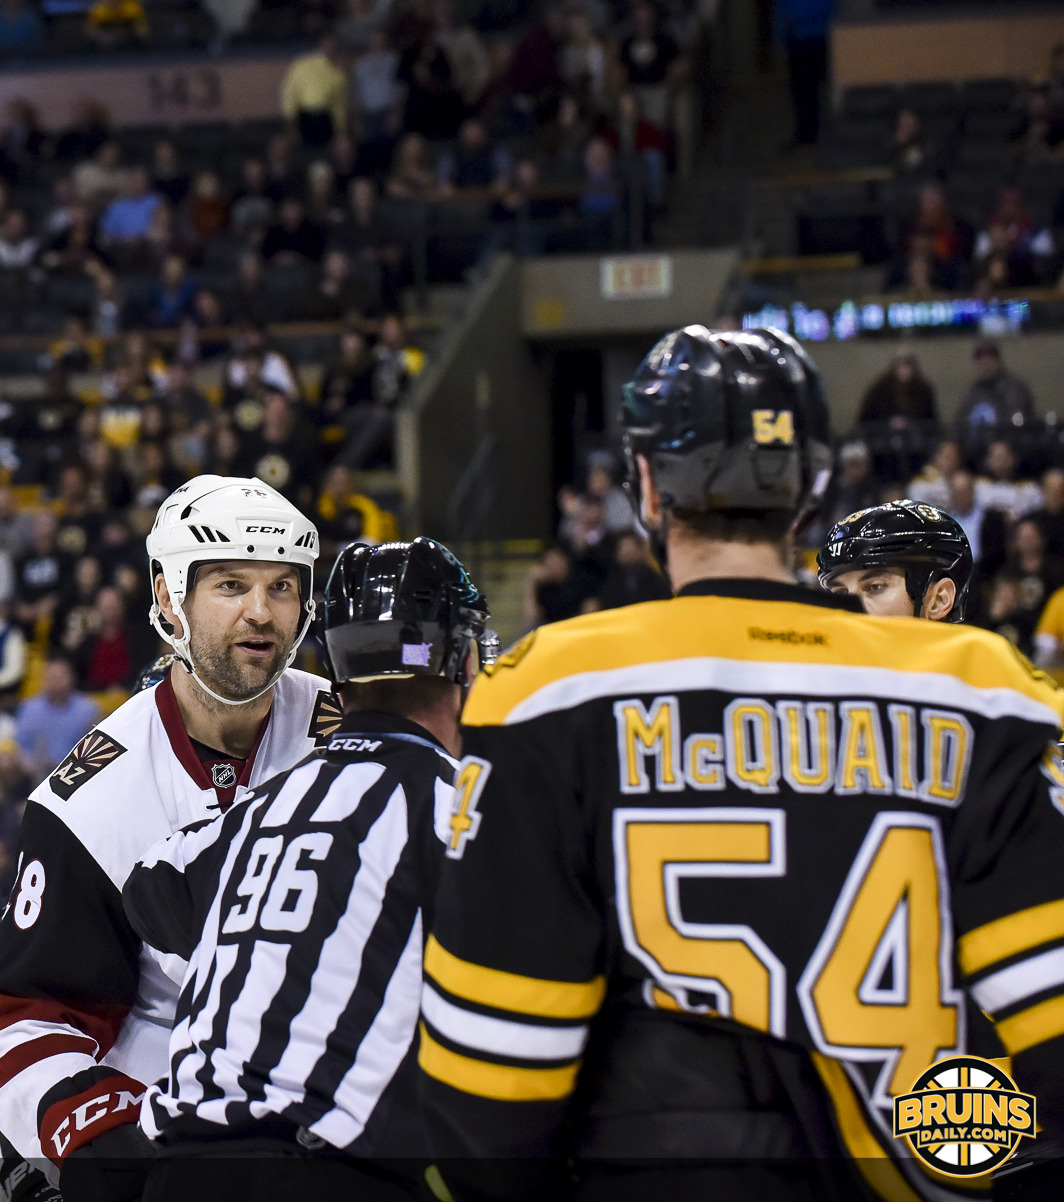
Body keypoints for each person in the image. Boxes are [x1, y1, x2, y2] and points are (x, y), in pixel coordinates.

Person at [418, 325, 1064, 1202]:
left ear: (645, 483)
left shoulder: (545, 690)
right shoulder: (984, 689)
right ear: (813, 484)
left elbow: (491, 1099)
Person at [0, 476, 336, 1200]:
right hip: (178, 1138)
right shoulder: (90, 799)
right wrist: (104, 1139)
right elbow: (19, 1015)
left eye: (282, 588)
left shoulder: (358, 737)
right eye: (230, 584)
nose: (261, 614)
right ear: (170, 598)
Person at [122, 538, 490, 1200]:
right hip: (327, 1167)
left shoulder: (267, 805)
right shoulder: (463, 811)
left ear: (335, 669)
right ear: (466, 662)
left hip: (178, 1169)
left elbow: (153, 883)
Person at [818, 499, 973, 621]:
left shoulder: (987, 657)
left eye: (875, 587)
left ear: (939, 600)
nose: (848, 610)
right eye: (840, 594)